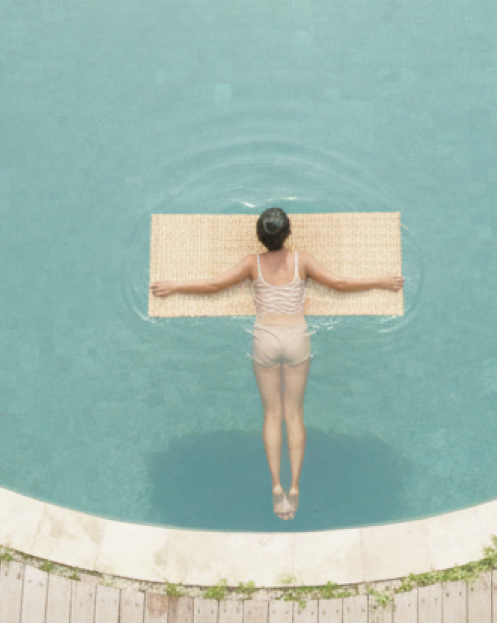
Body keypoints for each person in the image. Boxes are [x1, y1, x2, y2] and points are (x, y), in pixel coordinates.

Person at [151, 207, 403, 520]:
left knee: (272, 415)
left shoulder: (252, 263)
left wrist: (173, 286)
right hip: (296, 337)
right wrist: (382, 281)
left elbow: (215, 286)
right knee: (294, 415)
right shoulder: (303, 260)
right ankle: (295, 485)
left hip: (265, 339)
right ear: (288, 234)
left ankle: (275, 485)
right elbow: (339, 283)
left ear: (260, 236)